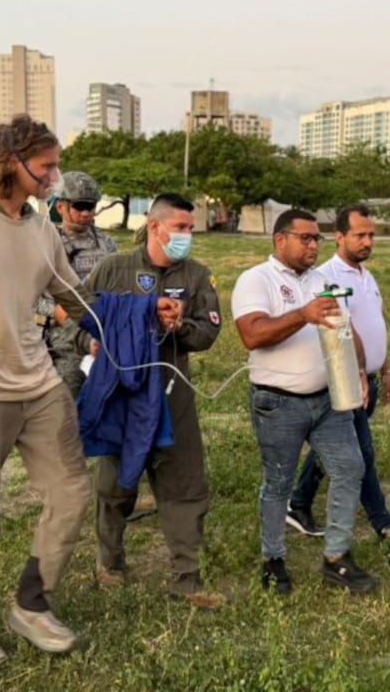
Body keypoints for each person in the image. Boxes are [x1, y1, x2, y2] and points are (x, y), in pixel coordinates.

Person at [0, 114, 182, 668]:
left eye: (56, 165)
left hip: (39, 387)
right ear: (12, 162)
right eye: (47, 166)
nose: (55, 178)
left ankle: (32, 604)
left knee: (71, 495)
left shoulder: (40, 231)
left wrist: (144, 310)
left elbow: (78, 299)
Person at [85, 193, 225, 608]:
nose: (187, 236)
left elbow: (208, 333)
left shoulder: (197, 276)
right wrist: (89, 341)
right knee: (113, 483)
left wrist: (180, 326)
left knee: (184, 484)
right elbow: (79, 315)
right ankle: (109, 564)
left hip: (171, 391)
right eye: (180, 228)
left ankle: (186, 578)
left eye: (190, 229)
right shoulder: (114, 269)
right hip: (122, 393)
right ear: (155, 226)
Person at [232, 208, 378, 595]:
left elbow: (344, 327)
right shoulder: (255, 280)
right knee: (278, 481)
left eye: (318, 239)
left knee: (350, 468)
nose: (314, 245)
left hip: (328, 400)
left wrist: (360, 370)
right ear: (281, 239)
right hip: (278, 402)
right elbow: (253, 335)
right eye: (306, 238)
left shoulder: (322, 280)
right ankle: (274, 559)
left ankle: (336, 557)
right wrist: (303, 314)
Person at [286, 204, 390, 560]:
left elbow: (373, 325)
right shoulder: (327, 278)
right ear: (339, 237)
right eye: (360, 235)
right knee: (362, 455)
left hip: (368, 379)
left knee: (338, 450)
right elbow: (337, 335)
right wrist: (354, 375)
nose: (368, 241)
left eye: (371, 235)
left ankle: (299, 503)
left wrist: (385, 369)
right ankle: (384, 528)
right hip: (344, 382)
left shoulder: (367, 277)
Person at [43, 171, 119, 400]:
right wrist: (79, 334)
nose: (86, 213)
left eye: (91, 206)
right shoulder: (46, 243)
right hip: (64, 341)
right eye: (79, 206)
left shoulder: (107, 244)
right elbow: (38, 300)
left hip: (103, 337)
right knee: (66, 411)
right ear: (60, 207)